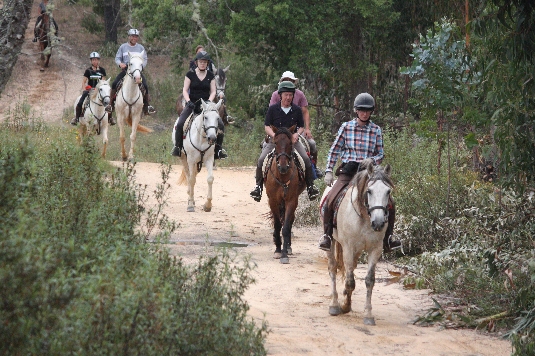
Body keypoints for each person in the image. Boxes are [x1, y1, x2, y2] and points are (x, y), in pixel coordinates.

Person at [318, 93, 401, 253]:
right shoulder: (346, 127)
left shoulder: (376, 130)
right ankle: (327, 236)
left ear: (371, 112)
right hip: (348, 170)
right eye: (362, 110)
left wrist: (372, 160)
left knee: (390, 203)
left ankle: (389, 238)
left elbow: (380, 153)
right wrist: (329, 170)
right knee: (330, 199)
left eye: (368, 111)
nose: (365, 113)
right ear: (356, 111)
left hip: (368, 173)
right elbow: (334, 150)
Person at [250, 81, 320, 202]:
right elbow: (266, 126)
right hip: (275, 141)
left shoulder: (297, 110)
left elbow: (301, 126)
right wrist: (274, 135)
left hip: (291, 141)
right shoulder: (273, 109)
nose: (288, 97)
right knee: (261, 159)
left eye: (290, 95)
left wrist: (296, 135)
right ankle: (258, 187)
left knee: (306, 159)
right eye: (286, 94)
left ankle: (310, 186)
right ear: (280, 95)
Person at [171, 51, 227, 159]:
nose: (203, 64)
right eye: (201, 62)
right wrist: (188, 101)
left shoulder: (210, 75)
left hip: (206, 105)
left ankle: (218, 150)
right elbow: (185, 90)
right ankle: (178, 147)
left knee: (221, 124)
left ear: (207, 63)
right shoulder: (190, 74)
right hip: (192, 103)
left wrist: (209, 102)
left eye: (205, 62)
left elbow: (213, 92)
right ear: (197, 62)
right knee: (181, 122)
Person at [269, 71, 322, 178]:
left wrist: (307, 129)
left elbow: (305, 112)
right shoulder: (276, 95)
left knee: (312, 144)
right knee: (264, 152)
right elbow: (271, 114)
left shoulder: (299, 94)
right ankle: (260, 181)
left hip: (295, 130)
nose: (288, 82)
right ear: (282, 82)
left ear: (294, 82)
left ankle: (313, 171)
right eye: (286, 80)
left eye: (291, 80)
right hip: (278, 131)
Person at [105, 29, 156, 115]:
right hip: (126, 71)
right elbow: (117, 58)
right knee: (114, 83)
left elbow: (145, 59)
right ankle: (110, 104)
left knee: (145, 86)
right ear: (129, 37)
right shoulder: (123, 47)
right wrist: (120, 64)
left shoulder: (141, 48)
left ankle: (147, 106)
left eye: (136, 36)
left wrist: (141, 66)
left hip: (137, 71)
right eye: (132, 36)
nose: (134, 38)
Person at [70, 52, 115, 126]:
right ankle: (76, 118)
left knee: (108, 101)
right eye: (93, 60)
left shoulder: (102, 70)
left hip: (99, 91)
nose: (95, 61)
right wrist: (84, 89)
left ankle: (110, 118)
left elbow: (104, 82)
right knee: (81, 100)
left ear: (98, 61)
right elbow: (84, 81)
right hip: (90, 90)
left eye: (96, 60)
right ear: (91, 61)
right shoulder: (88, 71)